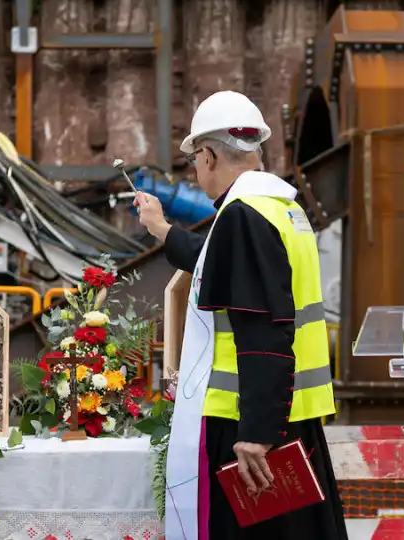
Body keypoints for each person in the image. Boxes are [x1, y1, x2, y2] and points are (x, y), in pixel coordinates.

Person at [136, 90, 348, 540]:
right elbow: (228, 268)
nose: (196, 172)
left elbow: (263, 328)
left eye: (195, 160)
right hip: (290, 415)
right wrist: (161, 229)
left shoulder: (242, 216)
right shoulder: (284, 209)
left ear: (209, 155)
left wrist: (256, 432)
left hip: (252, 427)